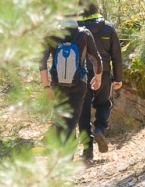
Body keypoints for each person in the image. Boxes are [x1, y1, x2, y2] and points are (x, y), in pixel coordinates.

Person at [40, 17, 103, 150]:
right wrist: (98, 79)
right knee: (72, 121)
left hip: (57, 84)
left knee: (60, 121)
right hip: (79, 83)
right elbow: (96, 59)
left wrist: (46, 86)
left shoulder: (51, 34)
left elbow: (42, 62)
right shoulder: (84, 33)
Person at [77, 0, 124, 160]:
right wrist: (118, 78)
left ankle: (87, 150)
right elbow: (117, 55)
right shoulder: (108, 28)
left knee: (82, 112)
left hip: (81, 75)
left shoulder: (75, 29)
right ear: (96, 6)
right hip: (102, 73)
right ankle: (99, 130)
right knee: (104, 104)